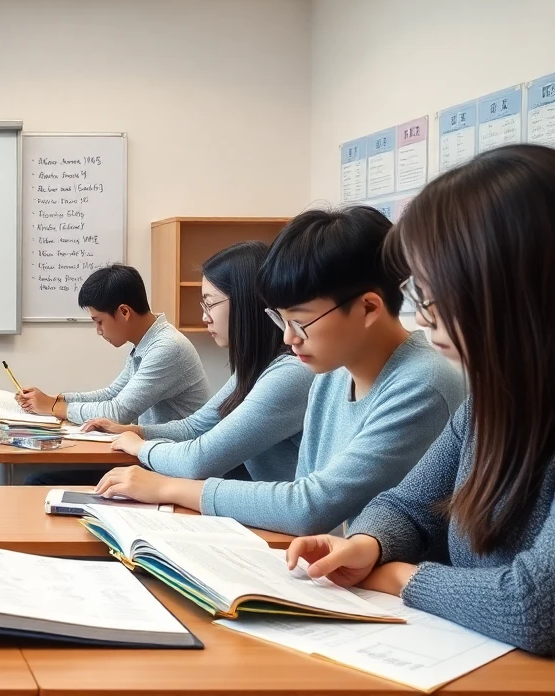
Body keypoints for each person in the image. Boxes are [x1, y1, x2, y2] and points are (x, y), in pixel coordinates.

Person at [287, 145, 555, 657]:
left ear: (510, 288)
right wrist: (367, 546)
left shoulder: (437, 381)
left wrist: (399, 577)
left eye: (433, 293)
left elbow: (534, 607)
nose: (422, 314)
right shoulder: (492, 403)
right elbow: (409, 504)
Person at [98, 206, 466, 536]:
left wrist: (167, 487)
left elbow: (309, 506)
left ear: (369, 308)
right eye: (281, 319)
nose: (289, 337)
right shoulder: (331, 376)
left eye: (300, 322)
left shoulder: (423, 384)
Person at [85, 242, 312, 483]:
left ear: (246, 301)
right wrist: (137, 431)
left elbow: (198, 461)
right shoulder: (258, 367)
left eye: (211, 303)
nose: (205, 317)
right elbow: (195, 427)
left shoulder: (288, 373)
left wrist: (140, 446)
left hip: (267, 514)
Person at [16, 263, 209, 486]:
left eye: (99, 321)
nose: (99, 331)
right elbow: (113, 393)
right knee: (39, 478)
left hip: (174, 466)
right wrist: (59, 399)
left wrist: (52, 407)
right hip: (154, 456)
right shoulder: (146, 343)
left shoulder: (167, 347)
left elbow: (118, 412)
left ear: (124, 312)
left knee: (38, 482)